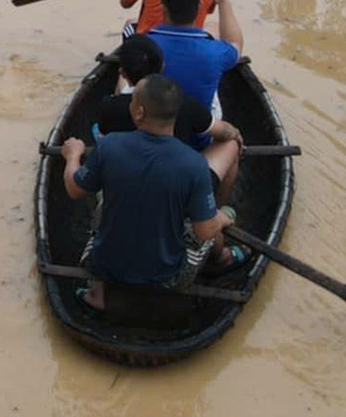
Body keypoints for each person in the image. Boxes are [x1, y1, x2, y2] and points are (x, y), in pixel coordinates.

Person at [58, 76, 241, 310]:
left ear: (139, 112)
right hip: (168, 278)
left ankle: (96, 293)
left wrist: (73, 156)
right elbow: (204, 232)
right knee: (212, 225)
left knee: (104, 206)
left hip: (105, 266)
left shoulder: (110, 145)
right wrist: (221, 217)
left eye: (132, 100)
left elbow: (74, 189)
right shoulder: (194, 165)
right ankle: (222, 259)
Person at [93, 35, 243, 201]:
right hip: (177, 187)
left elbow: (102, 143)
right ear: (163, 66)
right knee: (231, 144)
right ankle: (214, 209)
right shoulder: (183, 103)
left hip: (127, 183)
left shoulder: (109, 107)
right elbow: (224, 132)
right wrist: (235, 134)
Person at [146, 0, 244, 133]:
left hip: (150, 132)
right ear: (199, 8)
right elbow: (235, 44)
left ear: (163, 9)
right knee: (232, 143)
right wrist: (223, 0)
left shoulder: (144, 46)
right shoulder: (215, 52)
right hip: (198, 139)